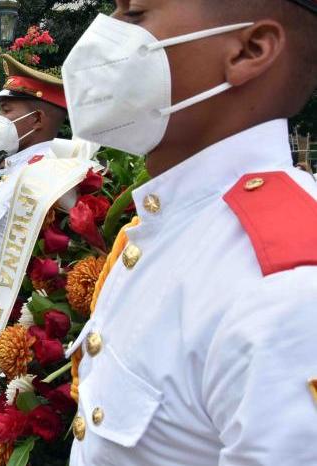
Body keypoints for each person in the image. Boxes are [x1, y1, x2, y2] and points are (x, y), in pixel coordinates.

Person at [61, 0, 317, 464]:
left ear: (249, 50)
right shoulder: (176, 225)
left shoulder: (284, 284)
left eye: (135, 14)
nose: (104, 35)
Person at [0, 54, 68, 292]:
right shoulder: (18, 170)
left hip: (26, 312)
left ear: (37, 119)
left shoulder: (48, 172)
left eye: (6, 111)